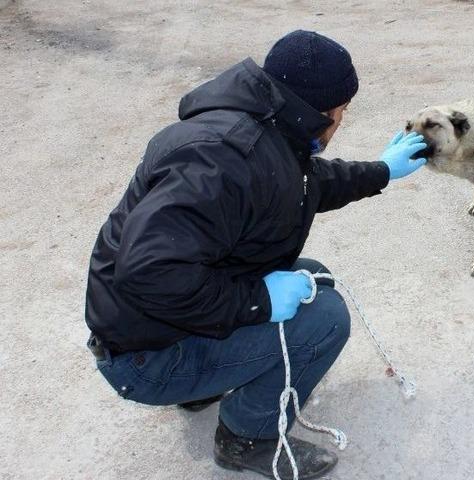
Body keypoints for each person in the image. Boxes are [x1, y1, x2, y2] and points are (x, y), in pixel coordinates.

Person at [84, 30, 427, 479]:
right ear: (322, 111)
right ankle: (245, 438)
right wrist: (257, 302)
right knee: (325, 320)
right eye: (344, 108)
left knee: (314, 280)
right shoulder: (222, 160)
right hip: (144, 359)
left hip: (159, 326)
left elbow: (303, 185)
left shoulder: (262, 126)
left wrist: (381, 171)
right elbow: (148, 272)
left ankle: (204, 386)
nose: (343, 119)